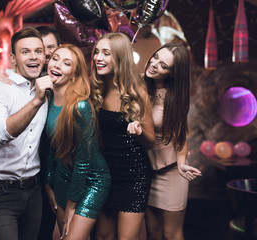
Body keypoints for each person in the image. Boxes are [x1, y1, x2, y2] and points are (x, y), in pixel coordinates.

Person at [0, 27, 53, 240]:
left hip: (34, 189)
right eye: (25, 52)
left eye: (38, 51)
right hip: (0, 191)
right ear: (13, 58)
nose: (33, 56)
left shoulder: (47, 87)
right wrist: (36, 101)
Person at [90, 32, 156, 240]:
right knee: (102, 236)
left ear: (120, 57)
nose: (98, 58)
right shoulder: (95, 88)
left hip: (133, 175)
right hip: (105, 174)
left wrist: (139, 132)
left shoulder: (137, 92)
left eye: (106, 53)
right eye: (97, 52)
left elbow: (151, 141)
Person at [44, 44, 111, 240]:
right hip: (62, 178)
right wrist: (48, 184)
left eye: (66, 63)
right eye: (55, 58)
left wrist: (72, 205)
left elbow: (84, 160)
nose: (57, 65)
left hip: (91, 180)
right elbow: (52, 146)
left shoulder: (81, 106)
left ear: (74, 74)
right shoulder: (47, 98)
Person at [143, 42, 202, 240]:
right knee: (153, 232)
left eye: (163, 66)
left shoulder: (174, 98)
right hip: (146, 173)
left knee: (171, 234)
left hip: (170, 174)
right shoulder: (141, 88)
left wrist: (182, 162)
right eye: (156, 57)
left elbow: (180, 136)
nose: (154, 64)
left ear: (172, 74)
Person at [36, 25, 61, 240]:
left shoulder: (69, 85)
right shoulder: (28, 82)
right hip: (30, 166)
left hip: (57, 164)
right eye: (40, 49)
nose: (45, 55)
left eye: (50, 48)